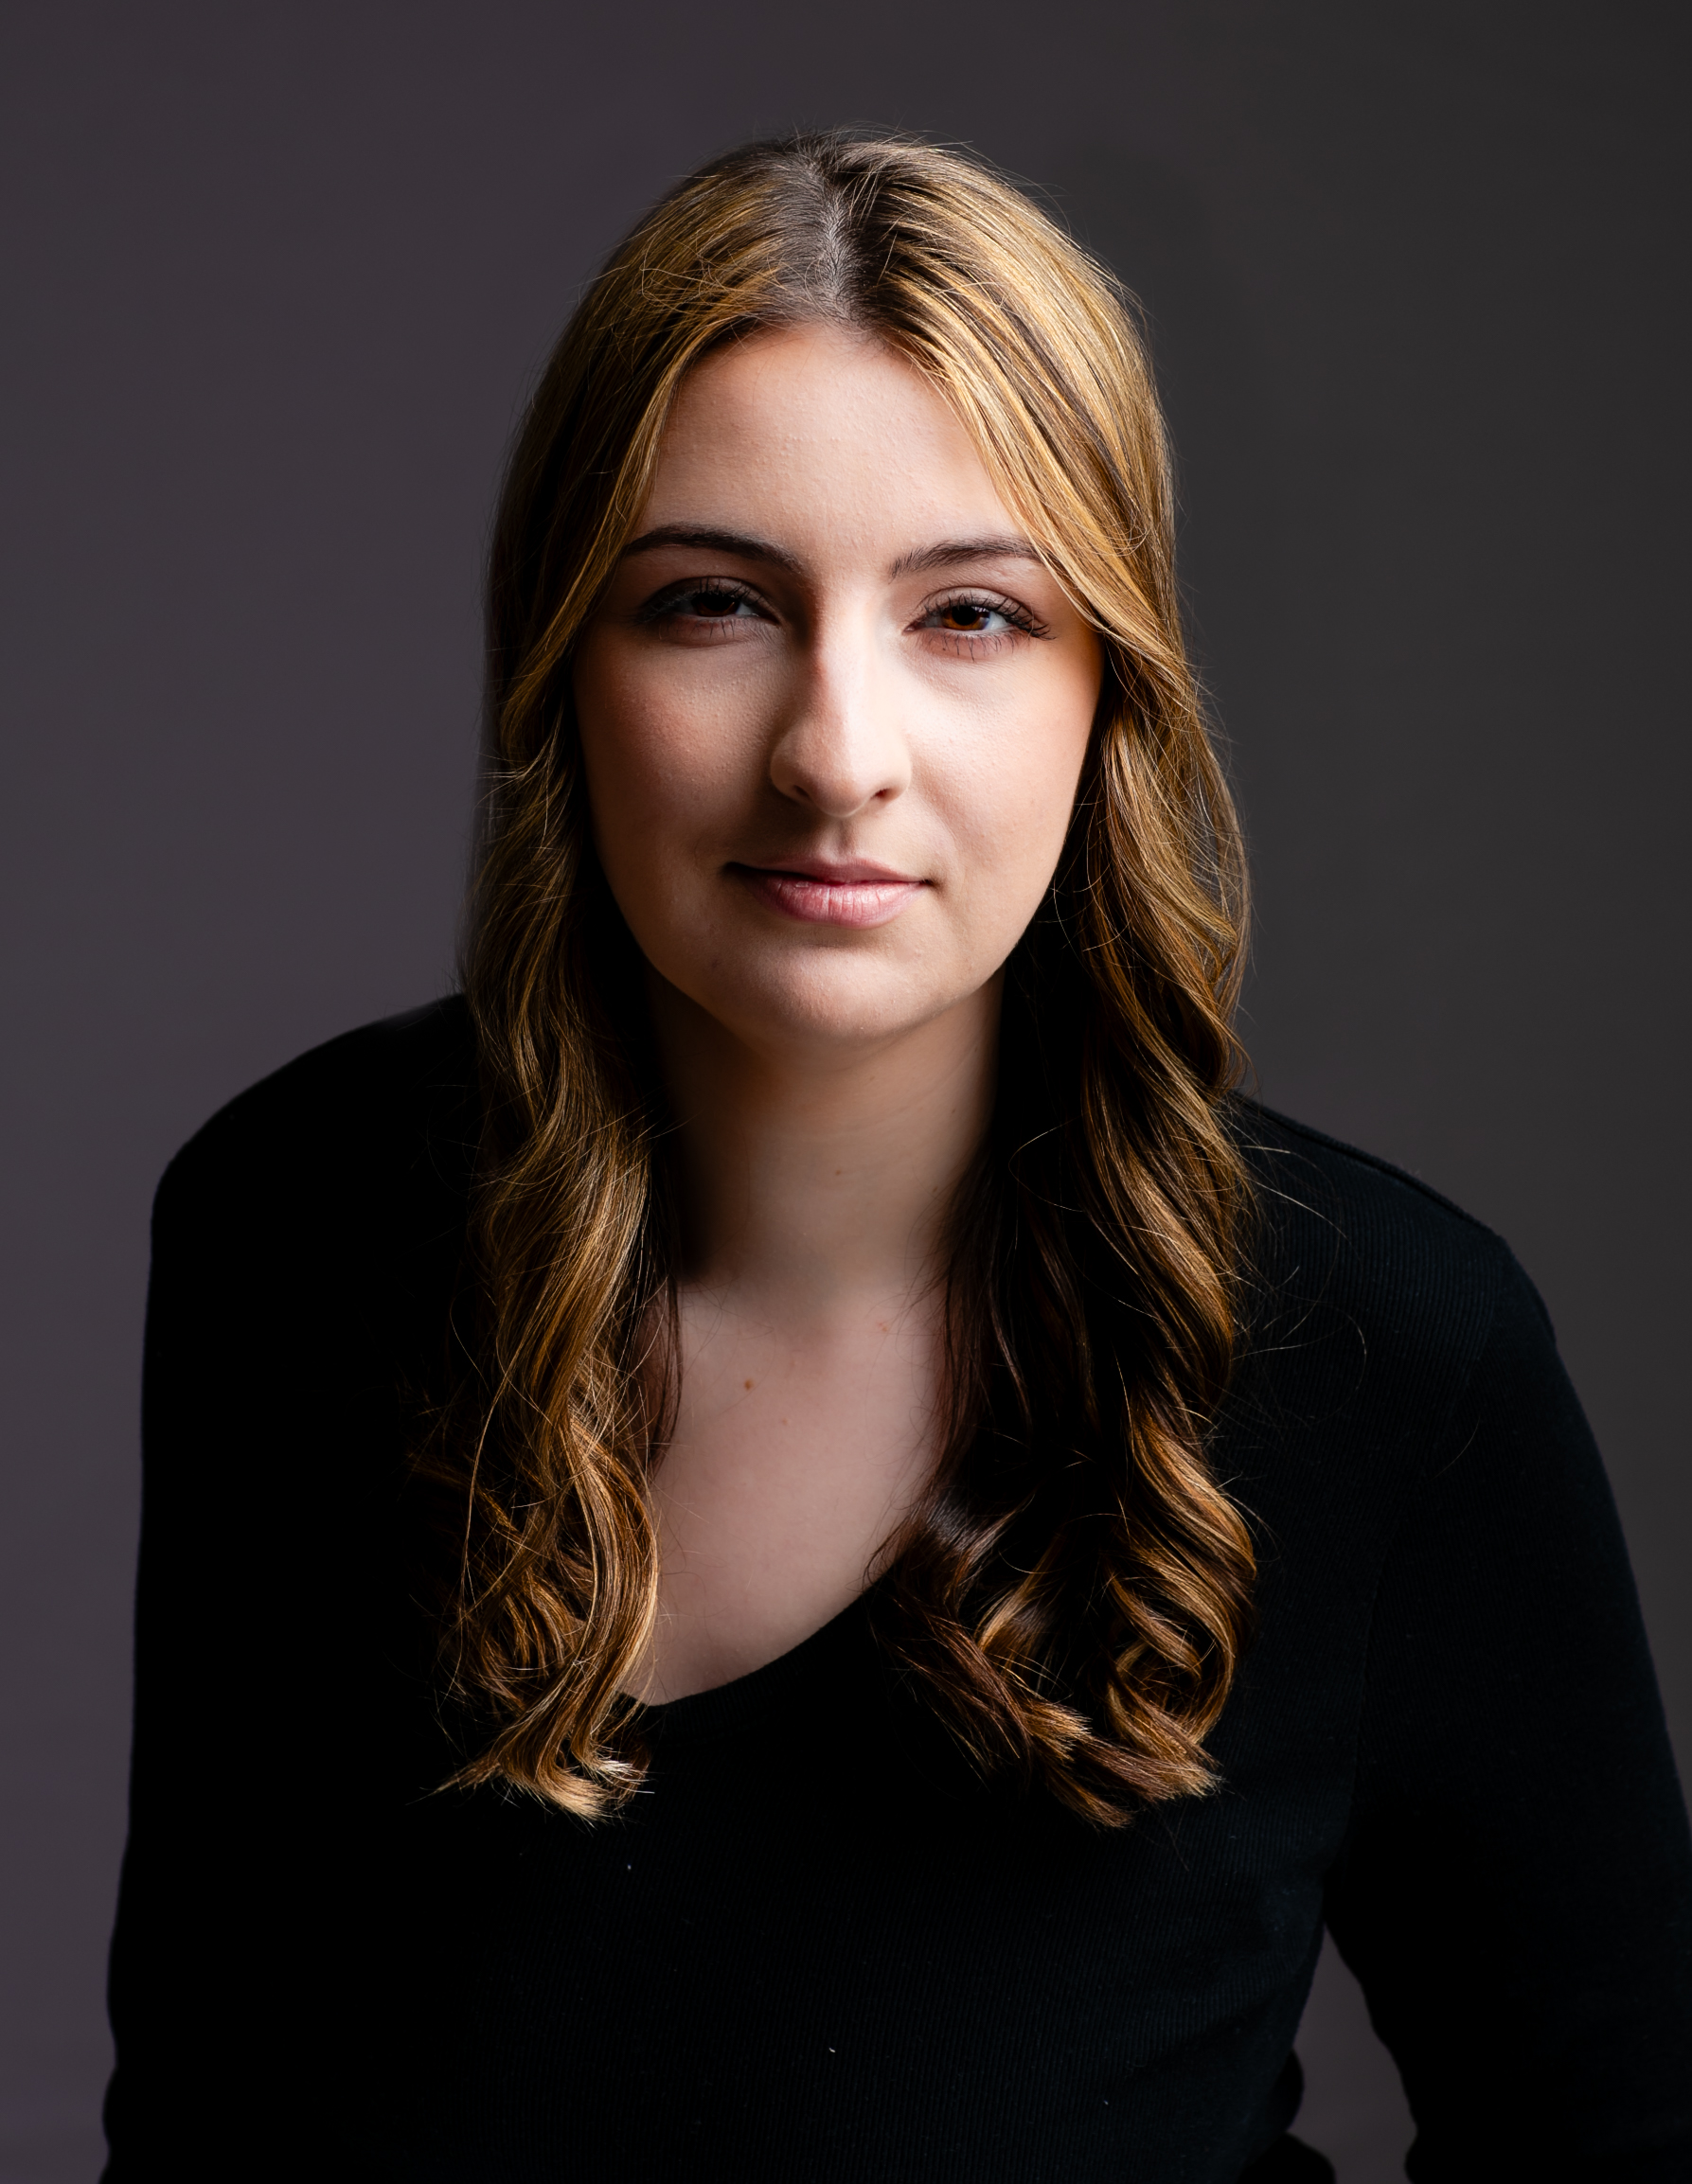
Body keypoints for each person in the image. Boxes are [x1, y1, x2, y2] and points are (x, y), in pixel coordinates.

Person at [102, 133, 1691, 2183]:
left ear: (1108, 690)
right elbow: (210, 2113)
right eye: (711, 603)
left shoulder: (1394, 1353)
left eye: (970, 613)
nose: (835, 748)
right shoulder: (294, 1226)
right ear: (559, 668)